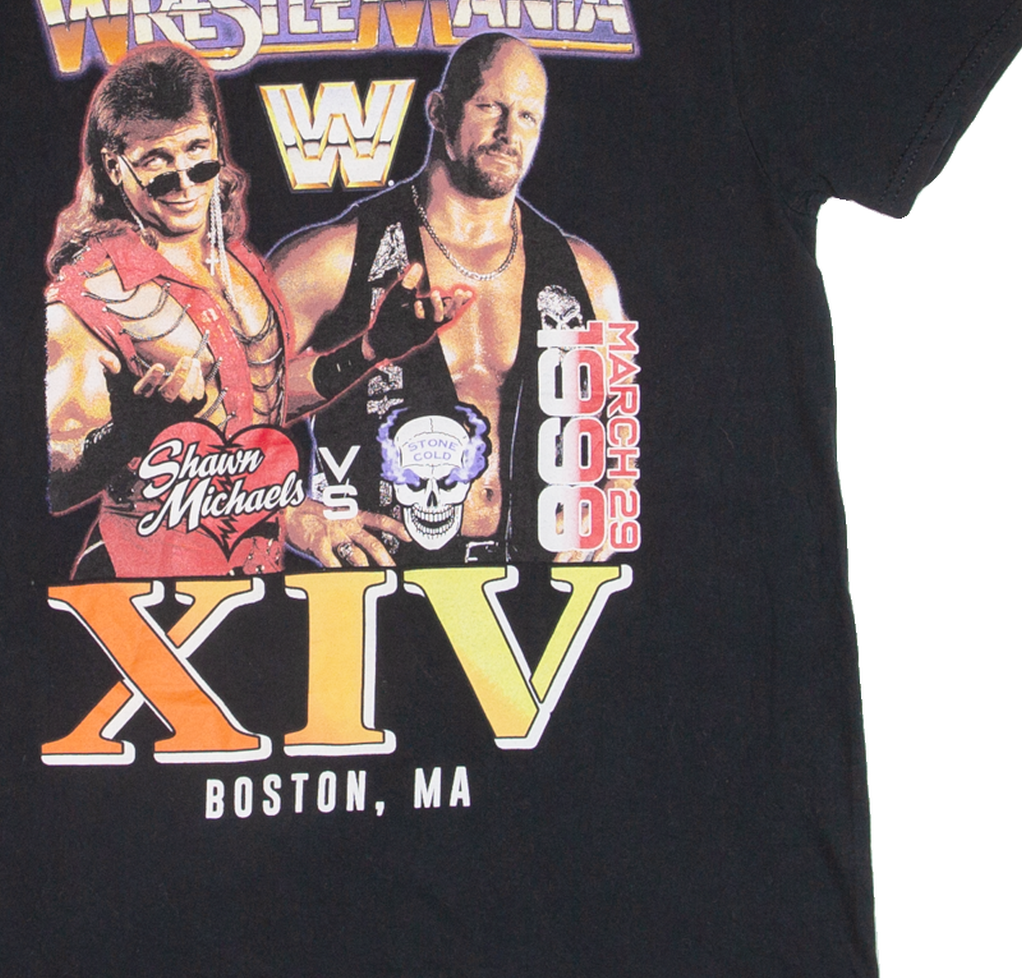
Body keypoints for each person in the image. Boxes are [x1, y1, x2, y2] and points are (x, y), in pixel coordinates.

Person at [270, 33, 628, 567]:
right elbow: (219, 404)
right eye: (490, 107)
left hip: (536, 576)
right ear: (438, 111)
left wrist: (612, 497)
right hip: (383, 580)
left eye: (527, 117)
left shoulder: (585, 274)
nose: (509, 134)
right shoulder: (335, 257)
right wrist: (288, 512)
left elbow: (620, 413)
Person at [45, 43, 294, 577]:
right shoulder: (84, 299)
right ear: (114, 168)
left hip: (254, 574)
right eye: (156, 161)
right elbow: (52, 476)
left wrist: (370, 350)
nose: (184, 181)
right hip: (141, 586)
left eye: (197, 151)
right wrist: (131, 432)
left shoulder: (240, 264)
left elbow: (262, 397)